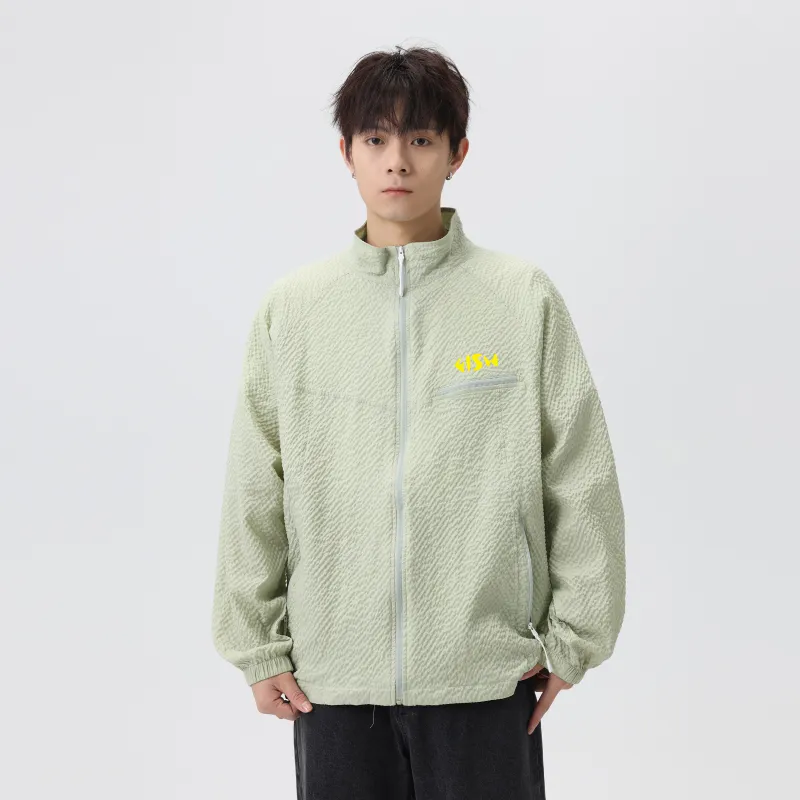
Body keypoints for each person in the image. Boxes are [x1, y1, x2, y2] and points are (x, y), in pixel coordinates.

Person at [211, 44, 626, 800]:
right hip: (334, 684)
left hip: (485, 675)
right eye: (375, 139)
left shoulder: (520, 298)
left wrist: (575, 639)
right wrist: (257, 647)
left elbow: (579, 472)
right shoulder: (294, 311)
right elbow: (254, 488)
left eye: (421, 139)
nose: (397, 161)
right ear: (346, 152)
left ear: (456, 153)